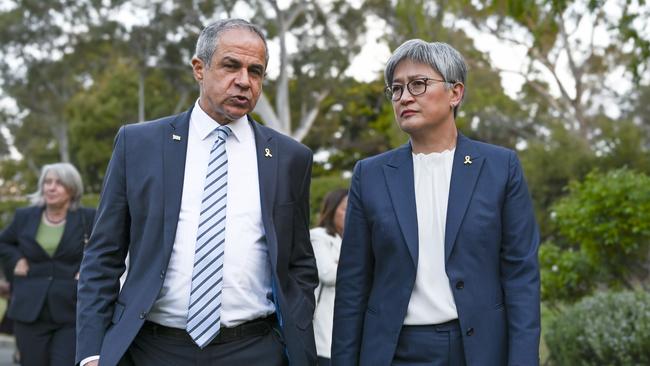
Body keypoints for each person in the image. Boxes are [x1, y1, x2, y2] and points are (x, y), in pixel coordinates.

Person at [76, 18, 318, 366]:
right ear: (199, 68)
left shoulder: (290, 157)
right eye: (231, 66)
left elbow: (299, 264)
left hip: (254, 350)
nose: (243, 81)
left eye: (256, 71)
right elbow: (103, 256)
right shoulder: (139, 144)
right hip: (153, 350)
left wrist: (292, 332)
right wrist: (91, 354)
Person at [331, 40, 541, 366]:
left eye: (418, 84)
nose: (404, 97)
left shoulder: (500, 168)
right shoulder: (369, 175)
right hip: (394, 350)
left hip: (477, 350)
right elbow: (353, 285)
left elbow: (521, 277)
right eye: (396, 89)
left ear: (455, 93)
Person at [0, 162, 95, 366]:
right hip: (29, 311)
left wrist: (87, 269)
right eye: (48, 182)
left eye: (59, 183)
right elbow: (3, 242)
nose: (51, 187)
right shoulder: (24, 216)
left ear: (72, 188)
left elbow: (106, 250)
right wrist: (16, 259)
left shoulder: (88, 218)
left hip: (71, 311)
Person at [310, 188, 348, 366]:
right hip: (325, 330)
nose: (349, 213)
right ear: (332, 210)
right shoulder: (319, 236)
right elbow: (327, 273)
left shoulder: (353, 240)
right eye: (345, 208)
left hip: (348, 331)